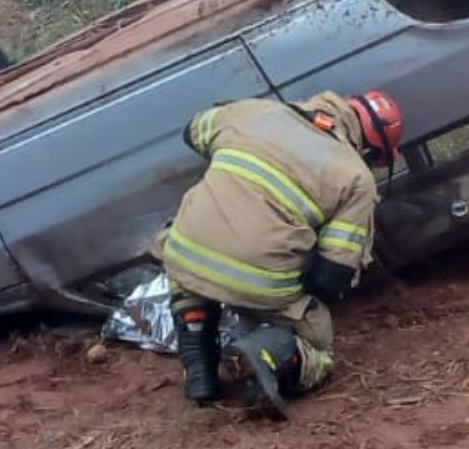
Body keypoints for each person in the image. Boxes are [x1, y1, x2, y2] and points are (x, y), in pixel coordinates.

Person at [149, 88, 405, 420]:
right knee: (319, 347)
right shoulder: (356, 178)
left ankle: (200, 367)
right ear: (369, 148)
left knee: (189, 269)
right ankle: (268, 353)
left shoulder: (253, 111)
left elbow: (193, 130)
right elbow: (330, 279)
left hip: (185, 252)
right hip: (260, 282)